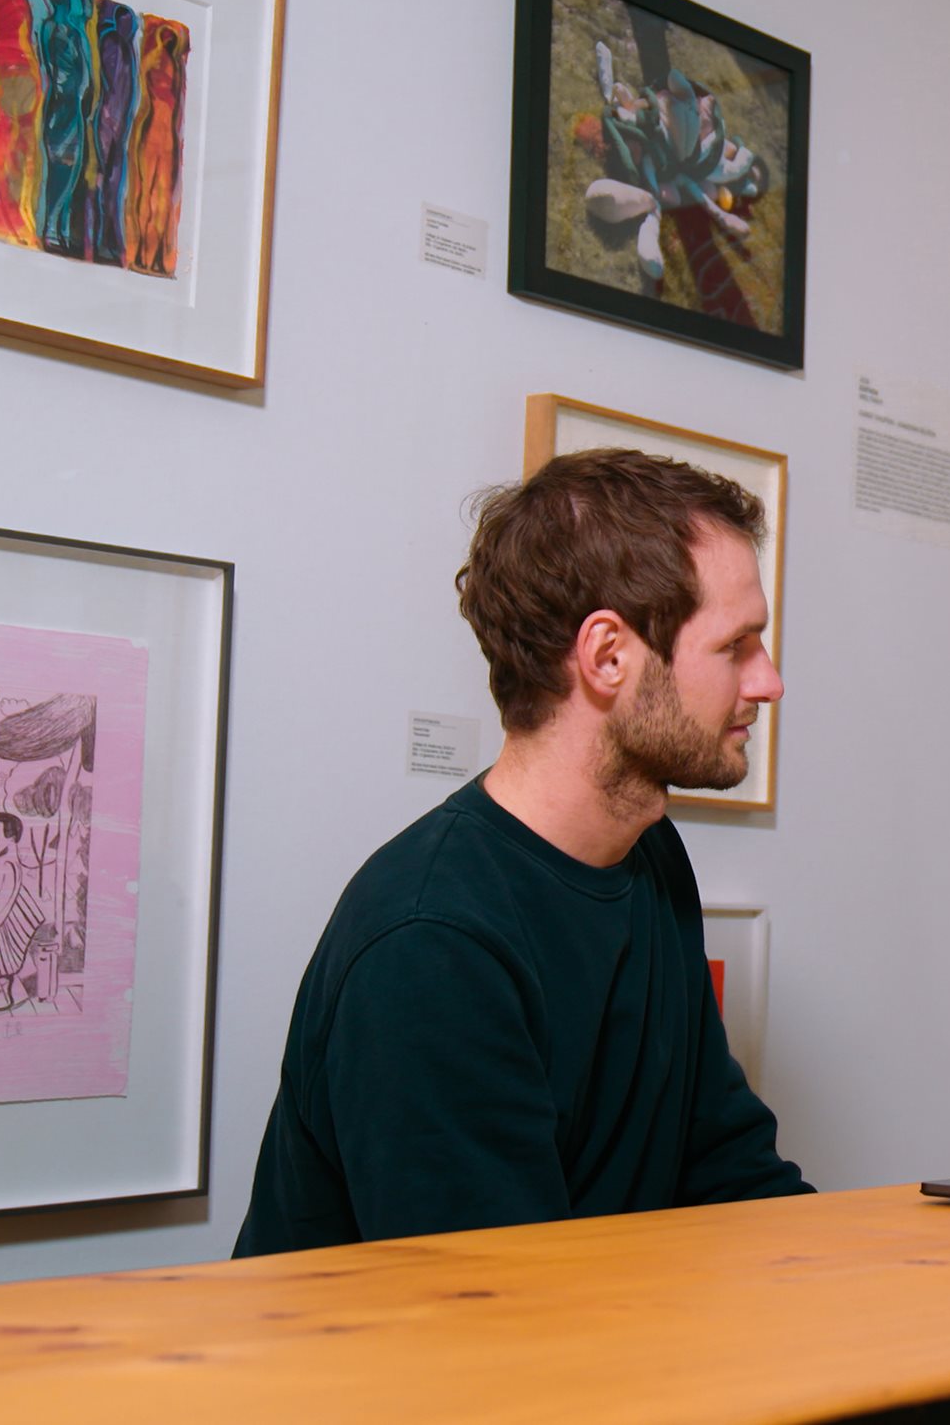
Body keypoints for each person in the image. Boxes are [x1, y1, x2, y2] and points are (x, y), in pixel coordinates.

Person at [235, 448, 811, 1256]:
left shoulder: (649, 860)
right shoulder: (432, 941)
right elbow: (488, 1309)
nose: (770, 681)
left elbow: (725, 1166)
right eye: (736, 646)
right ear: (608, 657)